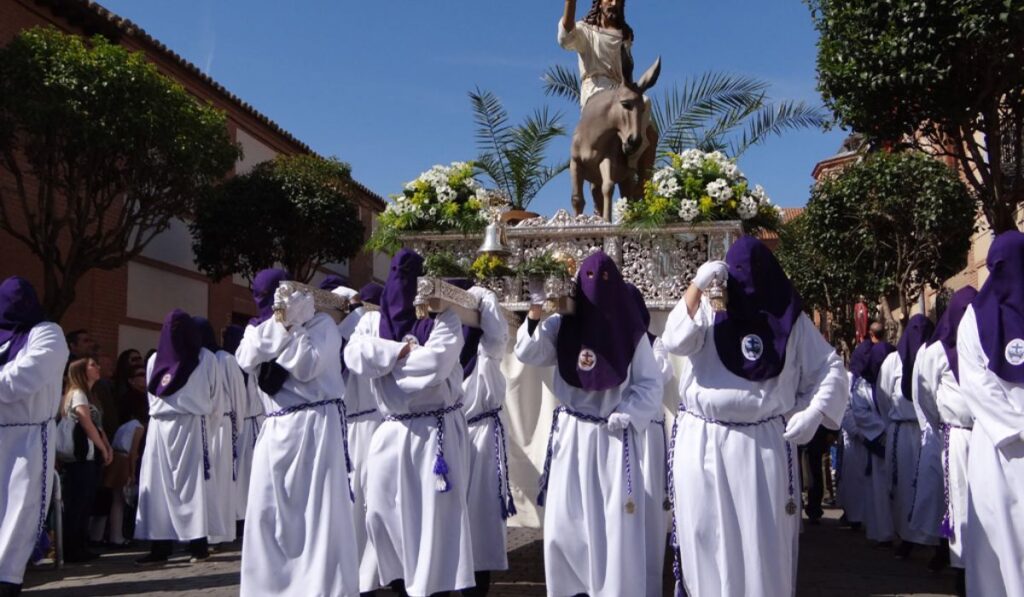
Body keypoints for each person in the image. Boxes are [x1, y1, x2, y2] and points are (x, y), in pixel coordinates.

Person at [661, 237, 847, 597]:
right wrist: (697, 286)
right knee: (704, 535)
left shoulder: (791, 319)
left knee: (761, 542)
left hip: (762, 444)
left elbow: (830, 368)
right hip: (703, 439)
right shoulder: (711, 307)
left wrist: (814, 412)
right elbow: (675, 340)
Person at [515, 251, 662, 597]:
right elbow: (528, 352)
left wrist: (629, 412)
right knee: (565, 525)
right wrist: (536, 311)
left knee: (612, 526)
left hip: (612, 437)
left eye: (604, 281)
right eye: (590, 281)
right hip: (572, 436)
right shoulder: (562, 323)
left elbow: (650, 385)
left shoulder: (631, 331)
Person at [345, 250, 475, 597]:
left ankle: (435, 588)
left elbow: (434, 366)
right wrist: (400, 352)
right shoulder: (371, 321)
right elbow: (354, 355)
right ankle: (401, 584)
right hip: (391, 430)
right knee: (382, 514)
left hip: (435, 433)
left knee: (433, 519)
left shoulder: (444, 318)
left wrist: (385, 359)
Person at [236, 268, 359, 597]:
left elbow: (307, 365)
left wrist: (294, 327)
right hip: (276, 429)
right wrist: (281, 324)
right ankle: (269, 587)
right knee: (269, 513)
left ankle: (320, 587)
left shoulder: (322, 325)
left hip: (316, 427)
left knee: (318, 512)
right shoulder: (258, 329)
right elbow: (245, 357)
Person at [958, 231, 1024, 596]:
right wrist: (1018, 426)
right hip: (996, 447)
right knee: (997, 541)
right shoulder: (974, 318)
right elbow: (975, 384)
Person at [0, 277, 69, 595]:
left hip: (28, 434)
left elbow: (25, 377)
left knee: (20, 507)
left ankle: (7, 577)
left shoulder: (47, 333)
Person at [135, 309, 218, 565]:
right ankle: (160, 546)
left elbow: (214, 393)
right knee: (159, 486)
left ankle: (197, 544)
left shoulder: (204, 358)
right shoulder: (156, 359)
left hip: (188, 423)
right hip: (165, 424)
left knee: (191, 485)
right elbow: (214, 393)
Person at [448, 279, 512, 597]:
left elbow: (497, 334)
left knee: (480, 516)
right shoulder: (443, 352)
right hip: (452, 435)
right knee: (450, 512)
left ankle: (477, 582)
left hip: (482, 436)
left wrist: (478, 296)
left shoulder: (486, 352)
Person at [915, 286, 977, 589]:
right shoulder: (936, 352)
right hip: (957, 434)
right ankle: (962, 567)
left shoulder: (986, 343)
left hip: (986, 435)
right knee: (959, 500)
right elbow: (925, 393)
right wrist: (944, 420)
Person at [878, 314, 940, 558]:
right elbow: (883, 396)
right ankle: (906, 537)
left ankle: (936, 541)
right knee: (903, 486)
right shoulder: (892, 361)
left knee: (930, 486)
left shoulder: (932, 355)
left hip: (927, 430)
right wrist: (893, 422)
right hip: (902, 432)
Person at [626, 283, 675, 597]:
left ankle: (648, 586)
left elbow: (659, 375)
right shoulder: (610, 341)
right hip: (621, 431)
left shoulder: (656, 344)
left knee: (650, 511)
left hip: (648, 435)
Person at [337, 283, 385, 595]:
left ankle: (364, 574)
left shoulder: (354, 328)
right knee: (361, 503)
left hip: (364, 424)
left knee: (363, 504)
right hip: (362, 423)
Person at [61, 357, 114, 562]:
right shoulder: (77, 393)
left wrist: (106, 446)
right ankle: (71, 549)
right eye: (92, 365)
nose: (98, 368)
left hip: (91, 456)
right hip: (80, 456)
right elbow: (86, 422)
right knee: (76, 503)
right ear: (81, 371)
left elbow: (98, 425)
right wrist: (101, 447)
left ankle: (81, 545)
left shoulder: (91, 395)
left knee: (86, 502)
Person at [193, 317, 238, 547]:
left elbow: (238, 396)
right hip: (202, 425)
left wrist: (237, 428)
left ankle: (219, 534)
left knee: (220, 479)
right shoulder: (195, 358)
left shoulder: (224, 359)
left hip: (222, 424)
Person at [848, 333, 896, 544]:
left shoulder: (893, 379)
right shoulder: (862, 385)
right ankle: (882, 532)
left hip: (897, 438)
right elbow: (859, 412)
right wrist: (882, 432)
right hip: (878, 442)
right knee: (878, 491)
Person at [221, 324, 260, 536]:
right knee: (243, 475)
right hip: (245, 424)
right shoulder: (231, 362)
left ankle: (245, 517)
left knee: (246, 475)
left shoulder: (233, 362)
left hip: (246, 424)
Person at [103, 379, 147, 547]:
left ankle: (115, 535)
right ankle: (117, 537)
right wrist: (132, 473)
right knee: (120, 501)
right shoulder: (138, 427)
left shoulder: (126, 425)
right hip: (123, 461)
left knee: (116, 500)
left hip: (115, 458)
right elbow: (133, 452)